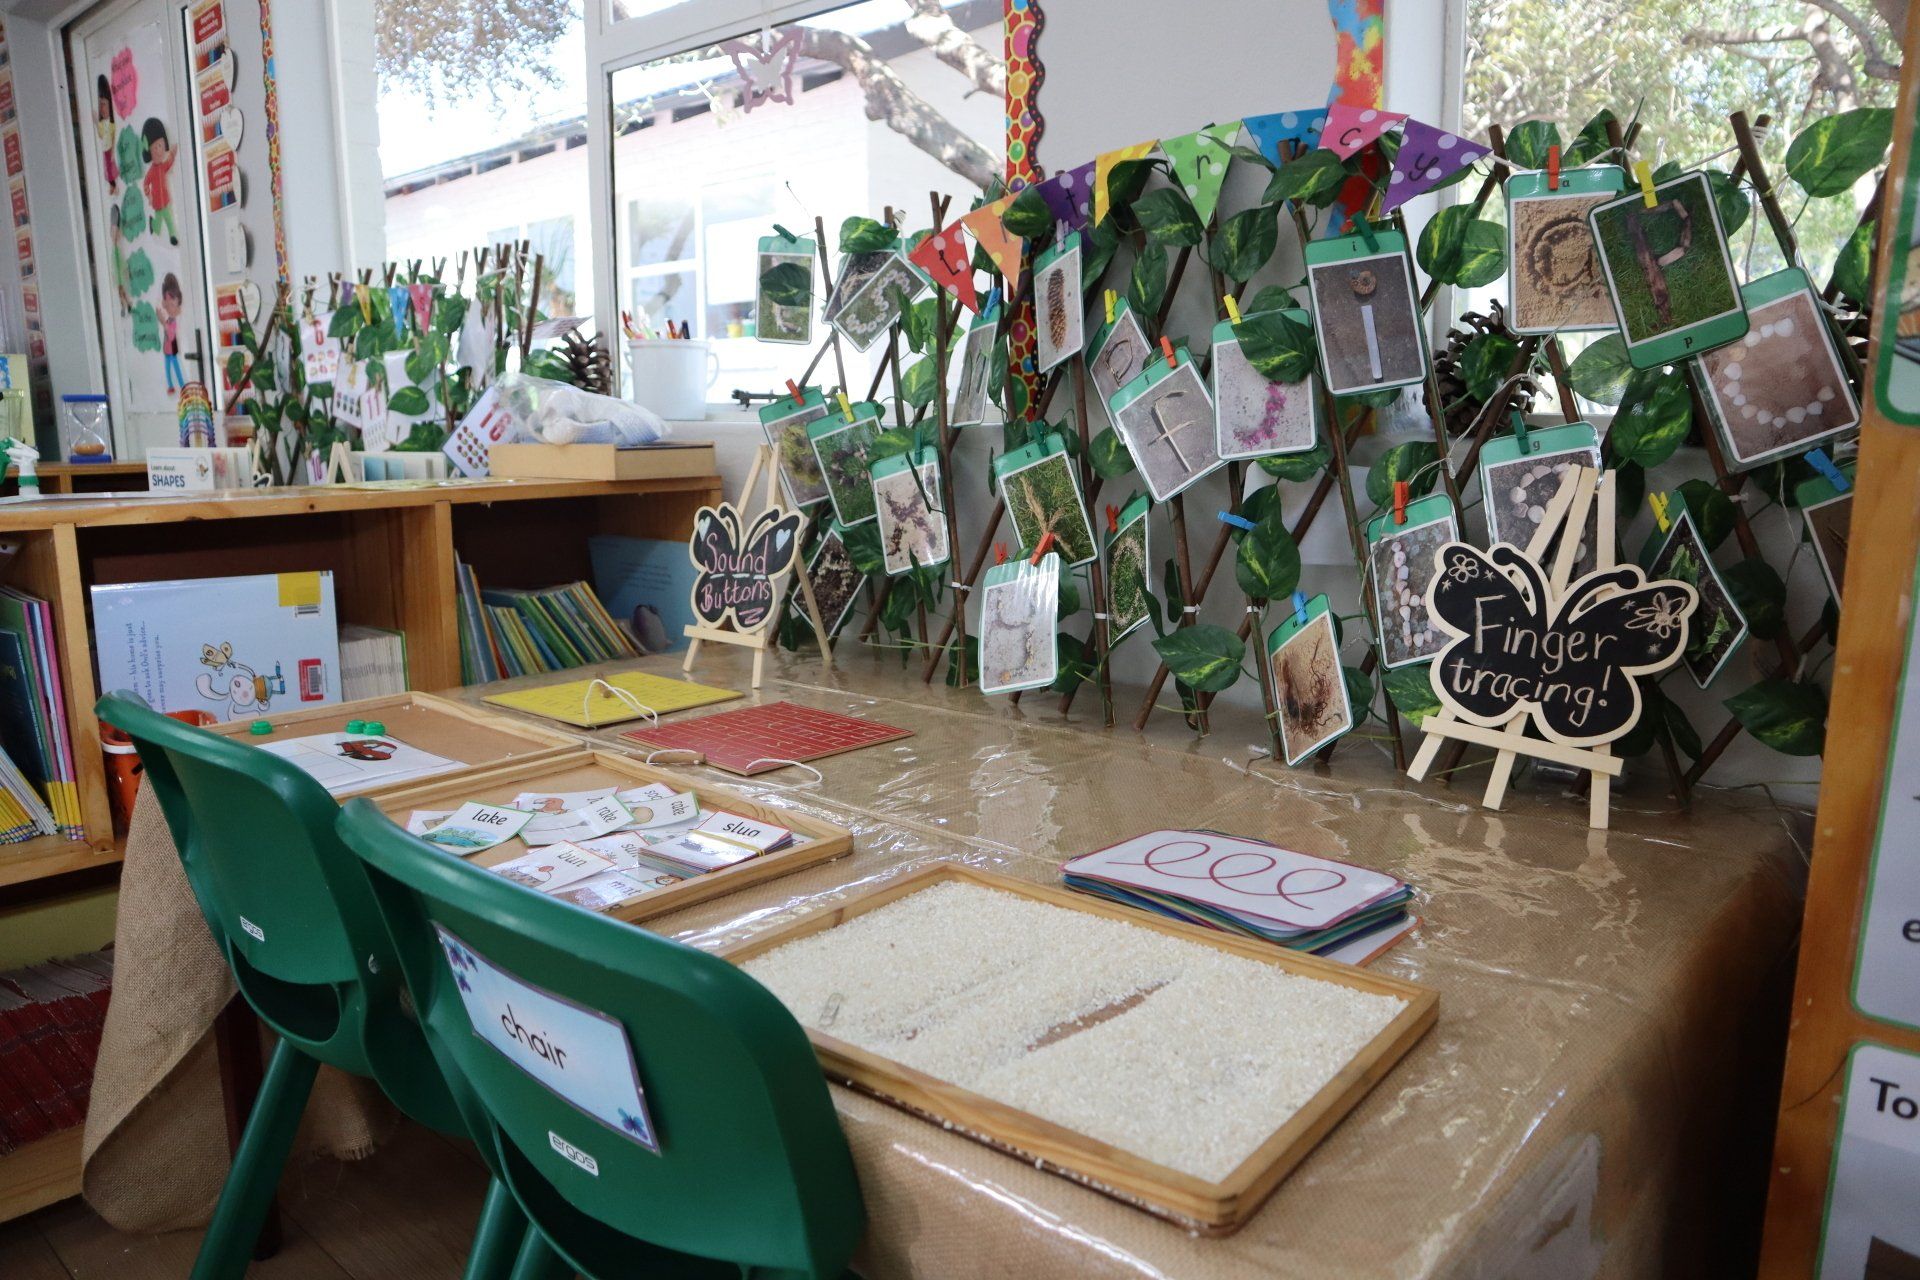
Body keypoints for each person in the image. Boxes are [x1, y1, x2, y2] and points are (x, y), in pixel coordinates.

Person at [141, 117, 177, 246]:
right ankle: (153, 225)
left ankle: (172, 235)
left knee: (168, 219)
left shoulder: (163, 167)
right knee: (159, 221)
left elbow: (169, 162)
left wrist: (172, 153)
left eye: (160, 146)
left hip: (165, 200)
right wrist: (149, 196)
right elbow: (145, 184)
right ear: (149, 151)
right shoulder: (150, 172)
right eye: (154, 147)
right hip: (157, 202)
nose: (158, 150)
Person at [159, 273, 184, 391]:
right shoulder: (169, 318)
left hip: (171, 340)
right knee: (169, 364)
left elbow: (171, 334)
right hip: (168, 341)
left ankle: (180, 384)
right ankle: (172, 385)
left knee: (173, 363)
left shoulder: (173, 320)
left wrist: (164, 323)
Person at [96, 76, 117, 195]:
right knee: (107, 169)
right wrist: (95, 121)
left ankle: (113, 185)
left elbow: (113, 136)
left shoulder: (110, 123)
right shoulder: (103, 123)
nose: (101, 108)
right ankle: (112, 185)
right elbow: (100, 134)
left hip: (109, 148)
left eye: (104, 104)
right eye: (100, 104)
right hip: (105, 149)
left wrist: (113, 150)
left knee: (110, 168)